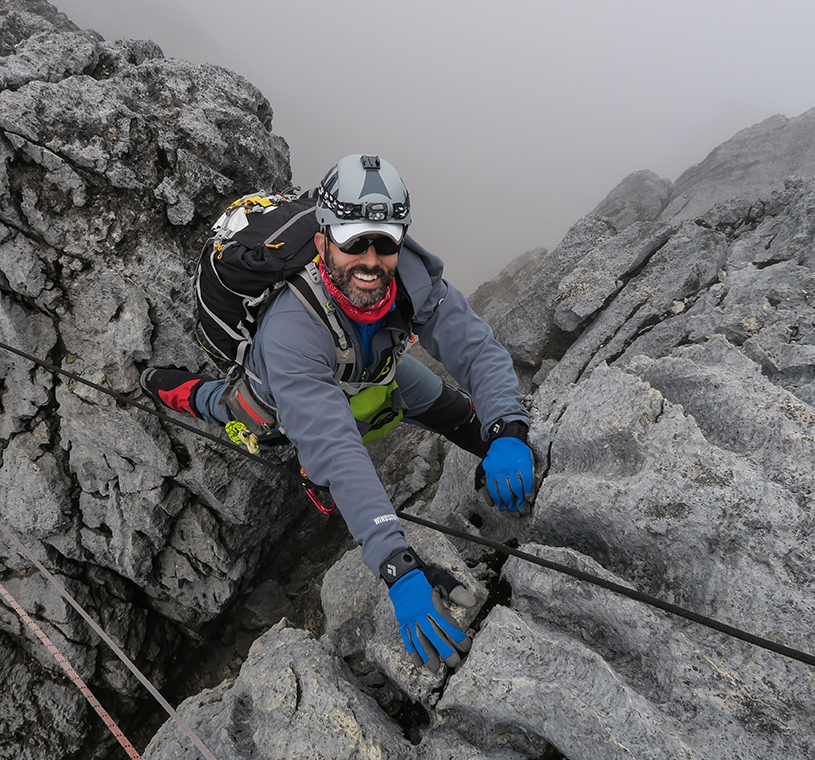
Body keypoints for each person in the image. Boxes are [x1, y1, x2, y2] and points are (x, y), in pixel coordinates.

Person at [141, 154, 535, 673]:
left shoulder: (412, 278)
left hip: (372, 370)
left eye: (384, 243)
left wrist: (507, 430)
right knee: (254, 419)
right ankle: (177, 388)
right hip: (286, 384)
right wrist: (398, 566)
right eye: (353, 242)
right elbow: (338, 448)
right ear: (323, 239)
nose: (370, 261)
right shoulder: (290, 332)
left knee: (446, 406)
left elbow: (476, 349)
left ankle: (490, 453)